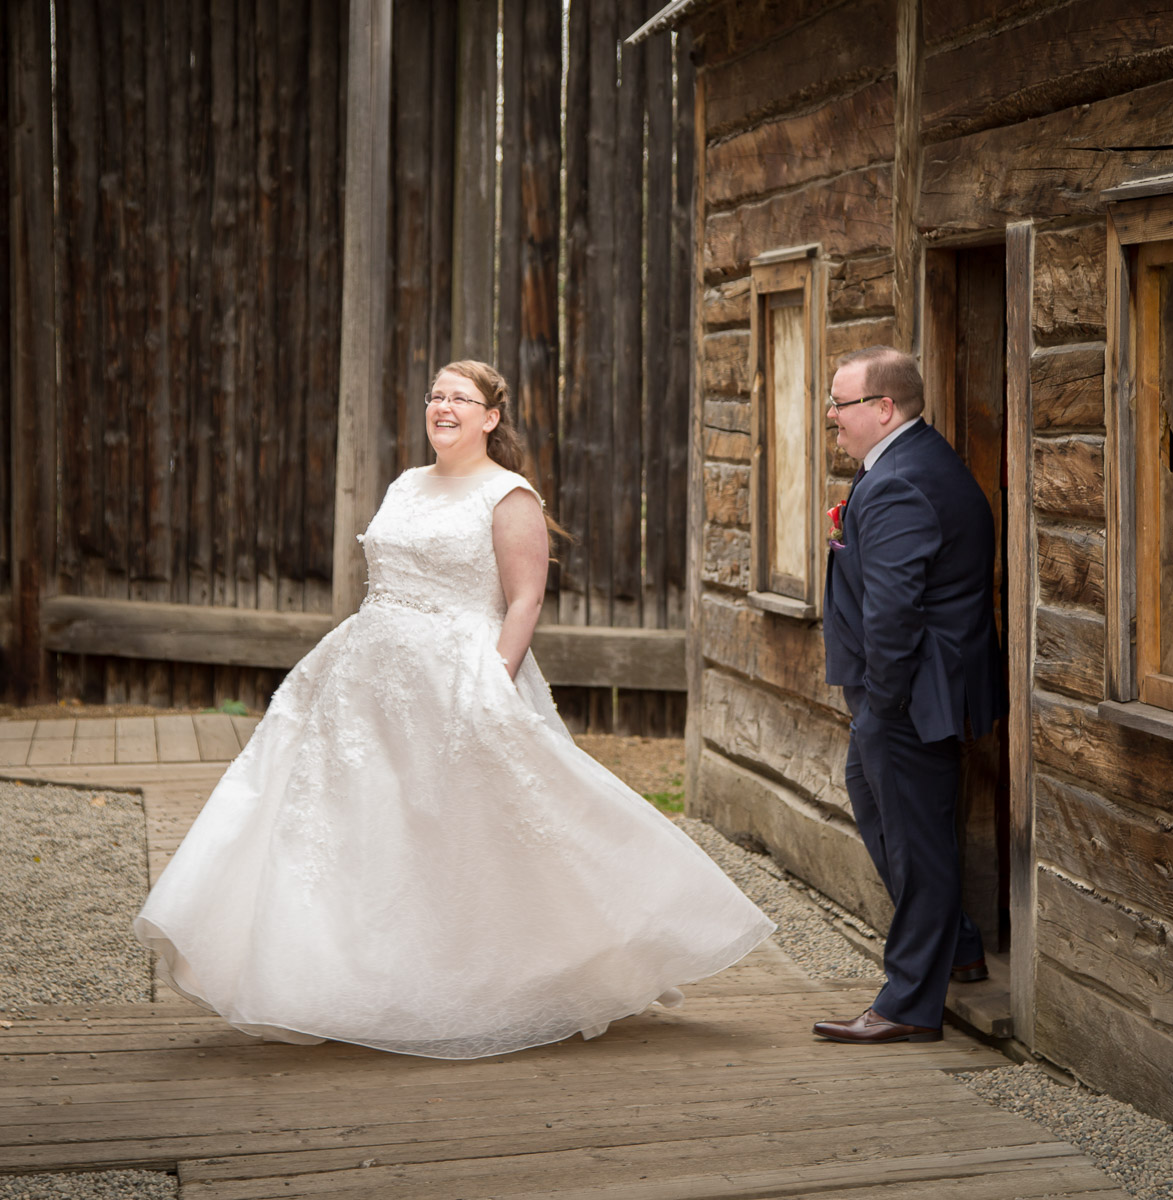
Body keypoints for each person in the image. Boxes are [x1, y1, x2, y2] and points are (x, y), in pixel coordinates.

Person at [134, 360, 775, 1059]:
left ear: (490, 417)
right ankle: (332, 982)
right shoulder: (406, 484)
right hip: (364, 682)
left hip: (459, 677)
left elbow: (525, 599)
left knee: (473, 828)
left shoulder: (508, 495)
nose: (443, 407)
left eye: (460, 398)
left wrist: (493, 682)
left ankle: (548, 962)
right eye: (435, 396)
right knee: (351, 828)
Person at [815, 346, 1004, 1045]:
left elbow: (893, 613)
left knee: (917, 844)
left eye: (841, 403)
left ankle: (907, 1006)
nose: (831, 415)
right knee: (877, 806)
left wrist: (883, 702)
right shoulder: (906, 462)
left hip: (910, 697)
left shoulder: (901, 482)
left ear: (884, 408)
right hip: (907, 693)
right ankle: (958, 946)